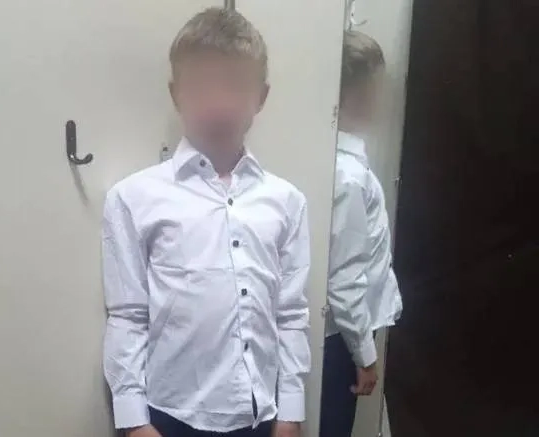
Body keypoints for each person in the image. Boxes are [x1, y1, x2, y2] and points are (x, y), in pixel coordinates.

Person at [102, 7, 311, 437]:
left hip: (262, 417)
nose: (218, 104)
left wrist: (291, 412)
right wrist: (133, 421)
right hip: (170, 417)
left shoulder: (287, 202)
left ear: (261, 97)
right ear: (176, 94)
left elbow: (290, 313)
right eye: (201, 87)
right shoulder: (134, 198)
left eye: (234, 85)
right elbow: (128, 315)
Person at [319, 31, 403, 437]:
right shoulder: (349, 175)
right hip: (340, 339)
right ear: (358, 93)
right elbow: (344, 278)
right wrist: (365, 356)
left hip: (341, 335)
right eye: (375, 87)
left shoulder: (341, 162)